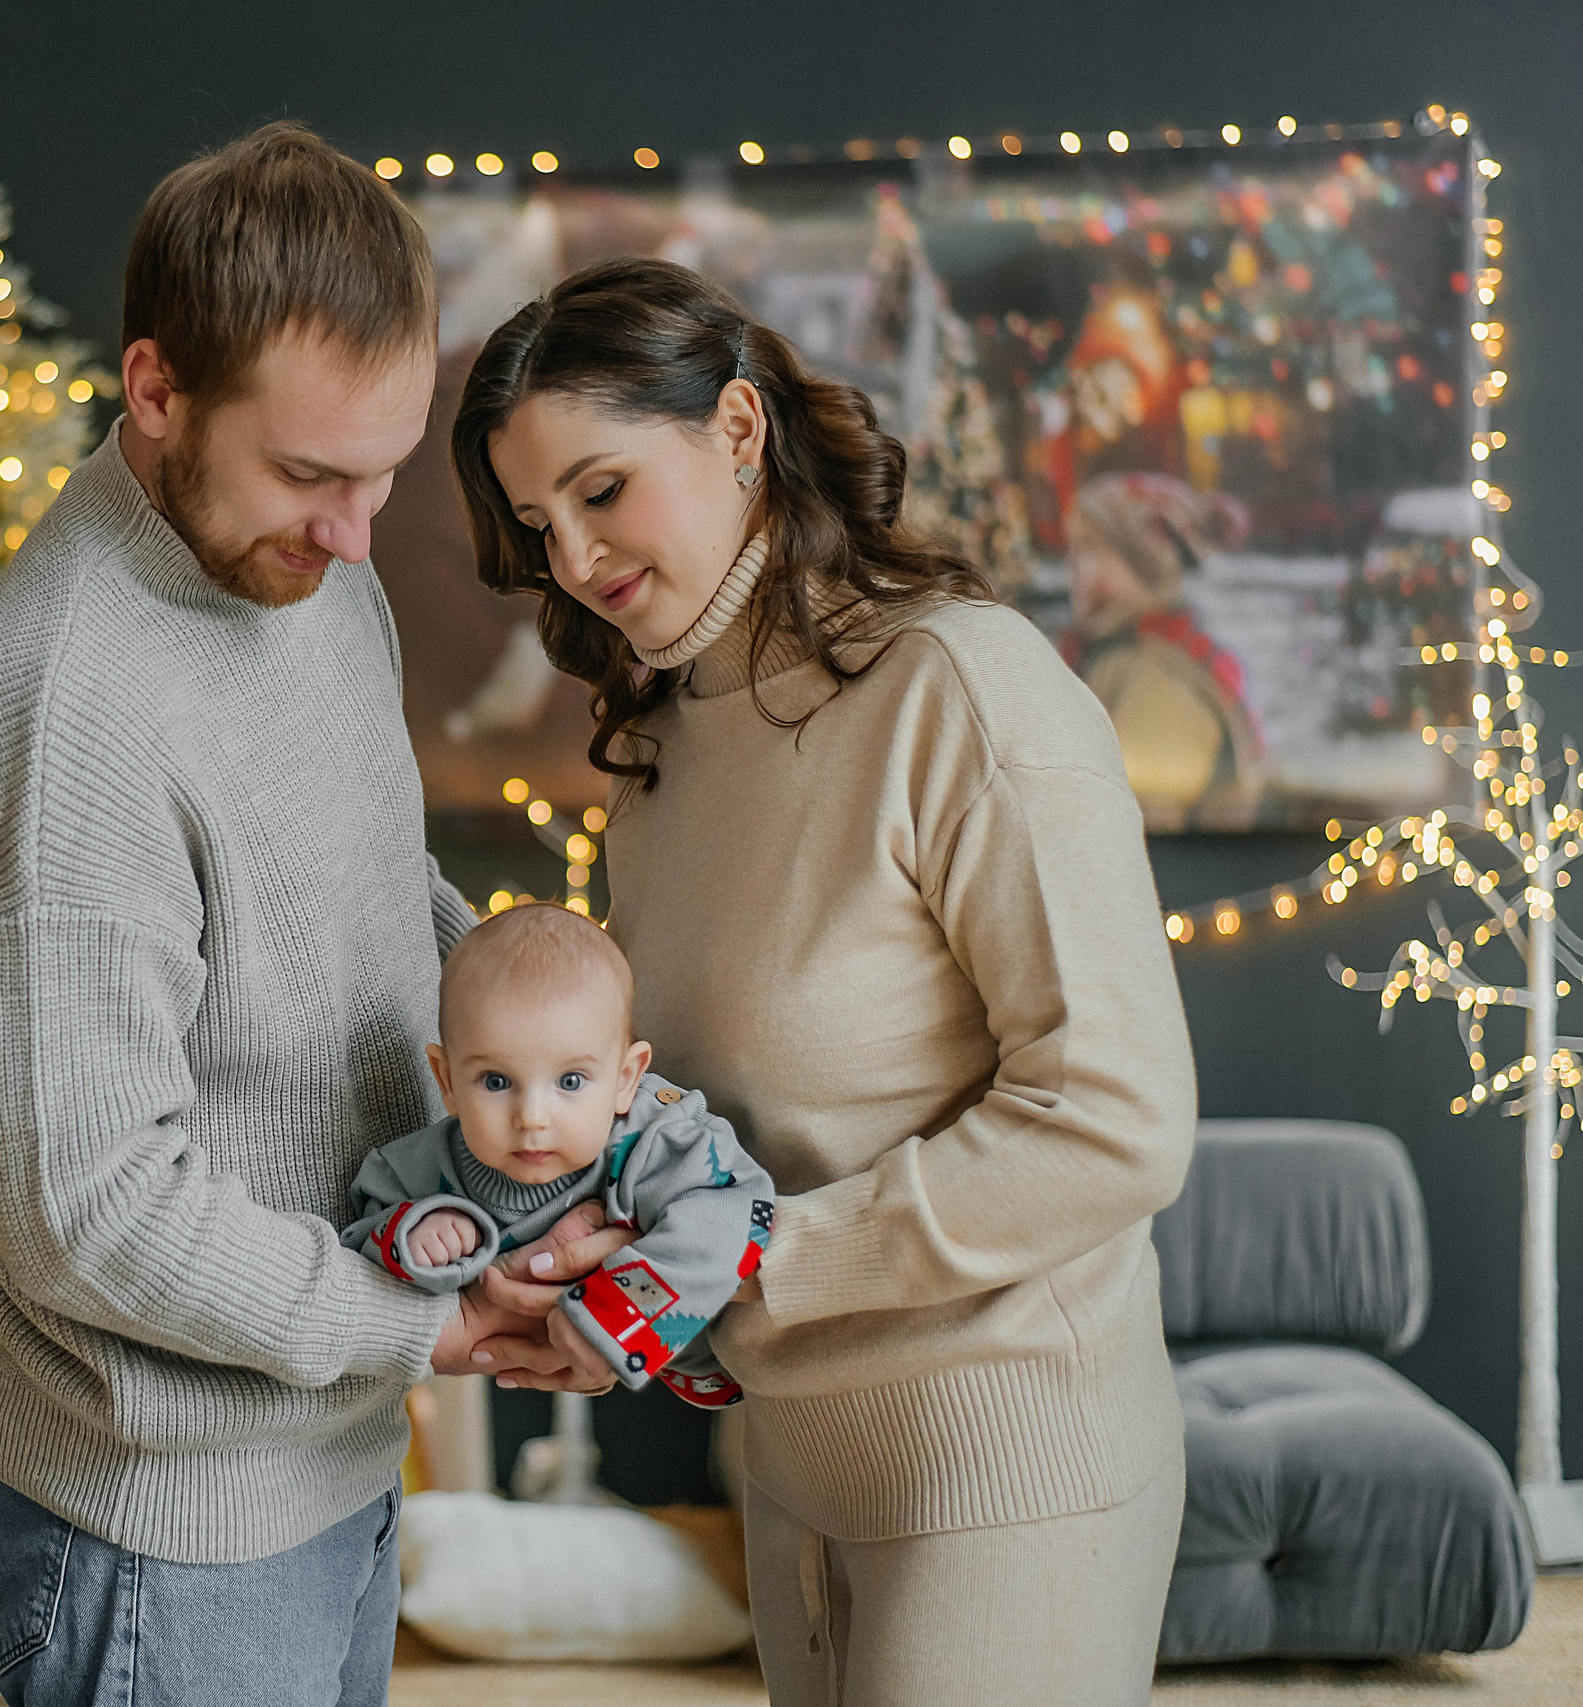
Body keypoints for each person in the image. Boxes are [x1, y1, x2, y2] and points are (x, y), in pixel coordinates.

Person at [0, 124, 624, 1707]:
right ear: (156, 389)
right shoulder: (68, 710)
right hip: (165, 1539)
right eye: (311, 473)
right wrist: (421, 1322)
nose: (356, 531)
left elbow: (378, 891)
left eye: (383, 471)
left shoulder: (310, 570)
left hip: (332, 1457)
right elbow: (89, 1204)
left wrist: (551, 1082)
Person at [452, 257, 1197, 1707]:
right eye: (540, 523)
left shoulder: (962, 689)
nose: (574, 559)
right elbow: (693, 1130)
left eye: (602, 491)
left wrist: (745, 1265)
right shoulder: (661, 759)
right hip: (787, 1467)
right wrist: (593, 1262)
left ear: (738, 429)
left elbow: (1116, 1116)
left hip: (1008, 1459)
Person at [342, 901, 775, 1408]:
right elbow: (359, 1231)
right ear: (446, 1080)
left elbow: (740, 1210)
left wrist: (619, 1312)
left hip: (732, 1365)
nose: (532, 1117)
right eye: (496, 1081)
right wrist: (416, 1232)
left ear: (625, 1080)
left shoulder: (654, 1137)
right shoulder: (420, 1163)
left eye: (570, 1081)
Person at [1059, 471, 1265, 830]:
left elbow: (1130, 830)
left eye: (1091, 549)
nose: (1073, 566)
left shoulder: (1162, 680)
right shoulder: (1115, 655)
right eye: (1073, 549)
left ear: (1145, 566)